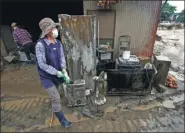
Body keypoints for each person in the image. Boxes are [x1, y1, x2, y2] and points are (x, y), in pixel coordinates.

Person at [35, 17, 72, 128]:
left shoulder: (58, 43)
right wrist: (57, 72)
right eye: (53, 28)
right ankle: (63, 120)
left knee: (58, 95)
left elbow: (62, 58)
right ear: (47, 31)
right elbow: (42, 64)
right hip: (46, 76)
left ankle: (54, 105)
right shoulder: (40, 45)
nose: (56, 30)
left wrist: (64, 71)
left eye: (55, 27)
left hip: (58, 74)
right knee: (56, 98)